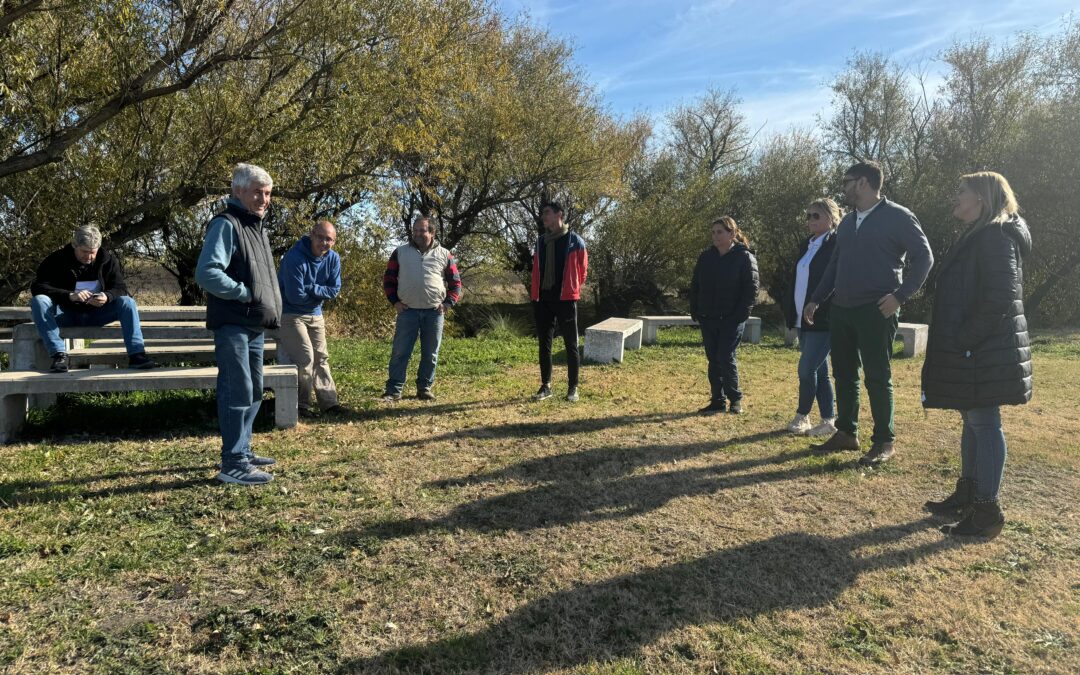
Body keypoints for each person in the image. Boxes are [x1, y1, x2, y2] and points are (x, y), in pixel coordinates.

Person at [922, 172, 1031, 540]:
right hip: (975, 348)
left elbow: (1001, 297)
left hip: (984, 349)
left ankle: (987, 511)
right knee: (972, 419)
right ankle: (969, 493)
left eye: (960, 192)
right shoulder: (979, 235)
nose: (954, 198)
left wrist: (966, 337)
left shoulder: (996, 237)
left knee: (985, 423)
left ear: (981, 199)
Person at [804, 161, 933, 465]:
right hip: (842, 309)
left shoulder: (899, 217)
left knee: (877, 375)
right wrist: (817, 299)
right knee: (844, 373)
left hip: (876, 310)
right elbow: (835, 265)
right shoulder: (847, 222)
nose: (843, 187)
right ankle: (847, 433)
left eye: (847, 181)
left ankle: (884, 442)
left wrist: (900, 296)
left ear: (862, 183)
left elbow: (924, 257)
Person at [195, 163, 282, 486]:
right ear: (238, 191)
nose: (264, 199)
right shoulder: (227, 225)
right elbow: (207, 273)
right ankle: (232, 463)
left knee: (254, 389)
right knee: (237, 389)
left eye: (268, 193)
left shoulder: (255, 227)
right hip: (233, 321)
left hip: (253, 323)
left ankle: (242, 450)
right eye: (258, 192)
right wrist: (244, 293)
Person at [30, 225, 158, 372]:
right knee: (39, 301)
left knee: (128, 302)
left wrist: (107, 296)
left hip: (97, 314)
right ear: (74, 245)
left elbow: (121, 288)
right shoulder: (56, 260)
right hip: (65, 314)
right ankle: (59, 355)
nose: (89, 257)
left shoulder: (107, 260)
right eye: (84, 252)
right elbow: (38, 287)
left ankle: (137, 355)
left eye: (93, 253)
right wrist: (69, 295)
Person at [381, 215, 462, 401]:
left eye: (422, 230)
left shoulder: (445, 254)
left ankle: (424, 388)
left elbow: (455, 283)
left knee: (430, 353)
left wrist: (448, 303)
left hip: (434, 312)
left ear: (432, 233)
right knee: (400, 351)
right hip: (407, 311)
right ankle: (394, 390)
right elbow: (389, 279)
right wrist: (395, 302)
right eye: (415, 230)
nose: (417, 234)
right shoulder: (400, 252)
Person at [689, 216, 759, 415]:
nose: (715, 236)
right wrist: (695, 308)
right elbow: (695, 285)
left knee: (725, 356)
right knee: (713, 358)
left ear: (732, 234)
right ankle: (717, 400)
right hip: (708, 317)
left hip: (731, 318)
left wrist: (740, 315)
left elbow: (751, 289)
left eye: (720, 232)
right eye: (713, 232)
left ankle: (735, 399)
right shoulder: (706, 257)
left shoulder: (744, 257)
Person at [278, 219, 346, 418]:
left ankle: (329, 403)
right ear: (311, 235)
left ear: (333, 242)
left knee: (321, 357)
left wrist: (311, 289)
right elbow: (294, 296)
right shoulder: (294, 258)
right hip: (291, 315)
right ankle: (301, 406)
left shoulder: (333, 259)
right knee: (306, 358)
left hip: (316, 314)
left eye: (329, 239)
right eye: (320, 237)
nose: (324, 243)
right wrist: (318, 293)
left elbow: (334, 289)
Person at [784, 199, 839, 436]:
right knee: (819, 371)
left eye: (816, 216)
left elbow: (833, 280)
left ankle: (802, 415)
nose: (810, 221)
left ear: (831, 217)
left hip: (823, 318)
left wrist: (817, 304)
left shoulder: (836, 243)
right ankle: (829, 420)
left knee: (806, 369)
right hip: (802, 318)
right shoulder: (806, 244)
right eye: (808, 216)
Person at [529, 201, 588, 402]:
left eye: (547, 213)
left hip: (565, 299)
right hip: (543, 299)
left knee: (571, 344)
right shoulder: (540, 242)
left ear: (559, 214)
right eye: (542, 213)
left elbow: (582, 271)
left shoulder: (575, 241)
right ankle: (546, 386)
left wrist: (572, 289)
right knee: (544, 345)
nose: (543, 217)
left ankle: (573, 388)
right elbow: (537, 268)